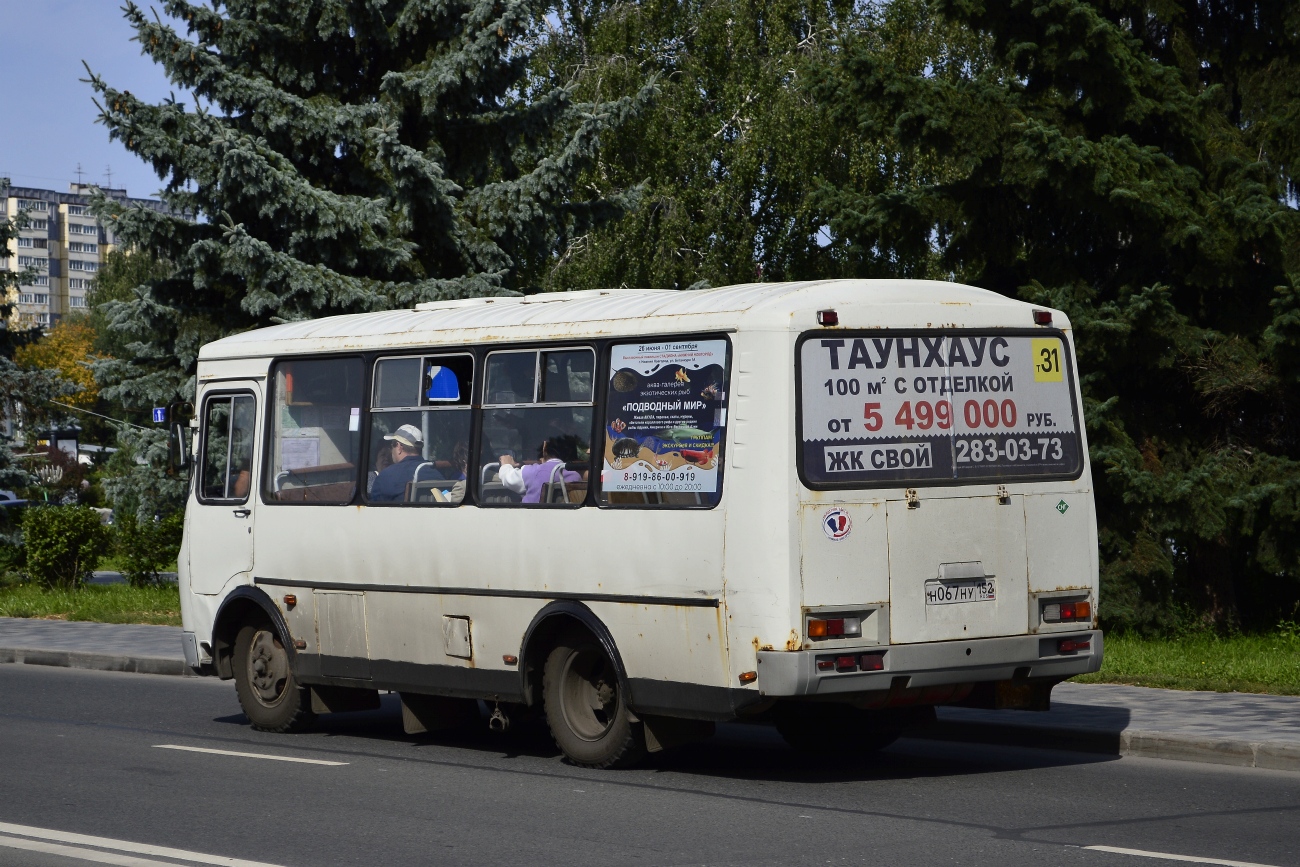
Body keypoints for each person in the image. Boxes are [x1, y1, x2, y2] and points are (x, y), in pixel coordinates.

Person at [499, 436, 582, 504]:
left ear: (544, 448)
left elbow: (509, 479)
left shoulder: (533, 471)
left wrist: (506, 464)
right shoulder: (576, 476)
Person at [370, 424, 441, 502]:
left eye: (392, 446)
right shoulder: (436, 473)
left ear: (399, 447)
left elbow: (374, 507)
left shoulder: (386, 476)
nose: (391, 451)